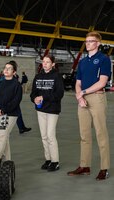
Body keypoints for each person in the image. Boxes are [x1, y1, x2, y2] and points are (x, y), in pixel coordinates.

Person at [67, 31, 111, 180]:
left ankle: (104, 168)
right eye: (86, 41)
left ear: (98, 43)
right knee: (84, 135)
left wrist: (83, 92)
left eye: (91, 41)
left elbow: (102, 82)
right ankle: (85, 165)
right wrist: (80, 96)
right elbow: (78, 82)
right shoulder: (83, 62)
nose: (88, 44)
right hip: (83, 100)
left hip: (97, 97)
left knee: (101, 134)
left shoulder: (104, 59)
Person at [30, 55, 64, 172]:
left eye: (48, 62)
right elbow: (33, 93)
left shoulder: (57, 76)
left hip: (52, 110)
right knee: (44, 136)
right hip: (41, 110)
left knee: (50, 136)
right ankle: (48, 159)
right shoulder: (38, 76)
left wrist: (43, 97)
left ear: (53, 64)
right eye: (43, 62)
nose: (45, 64)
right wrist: (34, 98)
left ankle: (55, 161)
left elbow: (59, 94)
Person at [0, 61, 22, 165]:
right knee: (5, 137)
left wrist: (3, 110)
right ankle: (8, 161)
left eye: (9, 68)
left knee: (2, 135)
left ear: (14, 72)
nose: (6, 70)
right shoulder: (0, 83)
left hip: (11, 114)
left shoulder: (17, 85)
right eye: (5, 68)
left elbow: (15, 101)